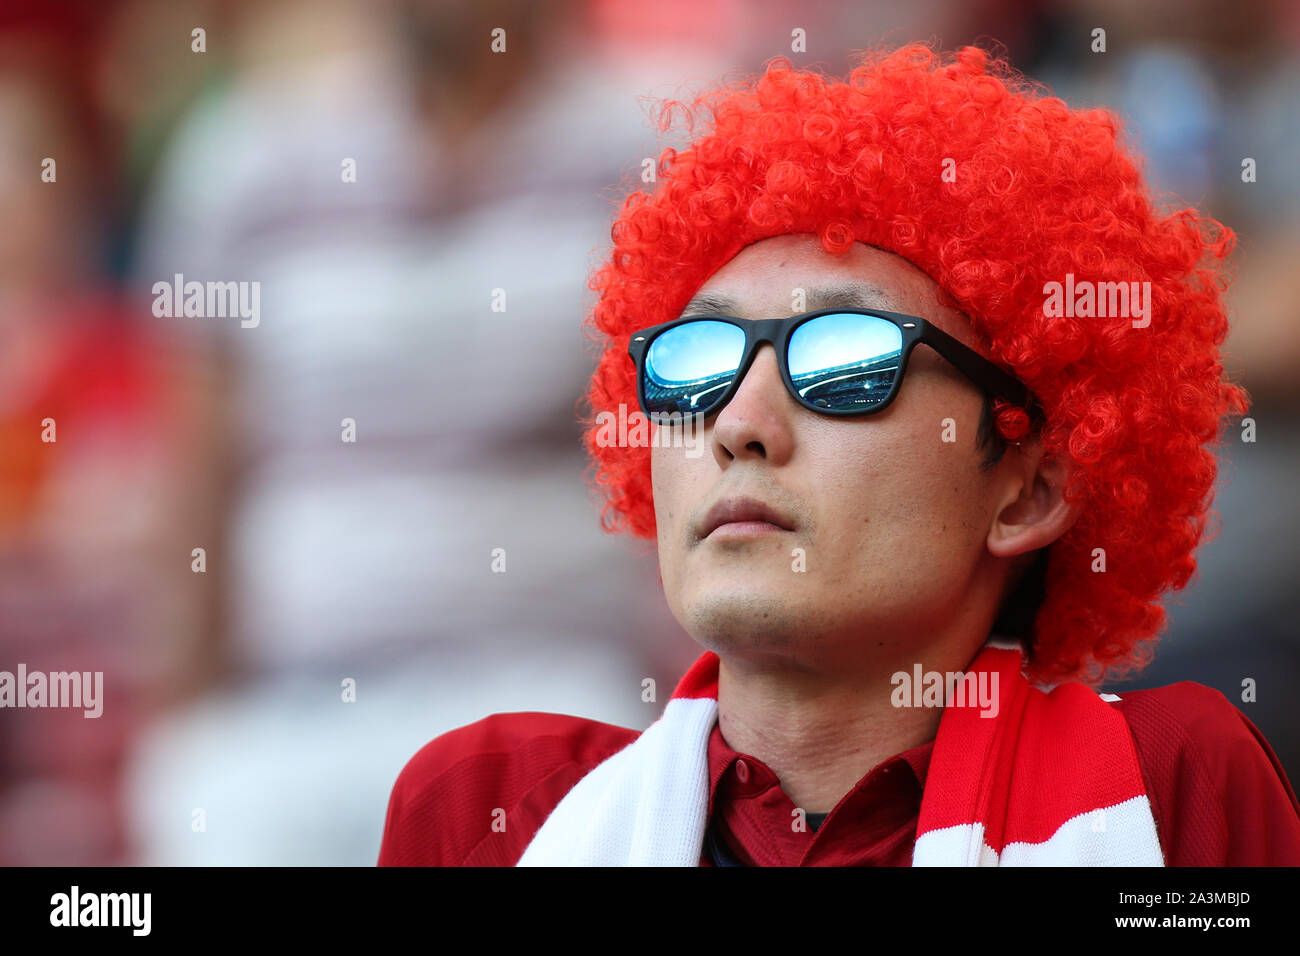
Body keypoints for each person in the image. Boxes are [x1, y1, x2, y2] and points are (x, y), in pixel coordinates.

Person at [377, 43, 1300, 866]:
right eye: (696, 364)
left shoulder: (1175, 788)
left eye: (846, 362)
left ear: (1030, 491)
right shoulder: (490, 811)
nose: (738, 424)